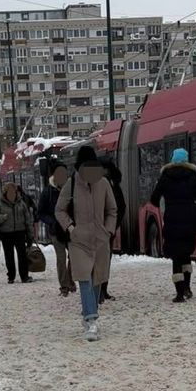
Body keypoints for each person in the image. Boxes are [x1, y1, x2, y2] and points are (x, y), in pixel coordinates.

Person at [56, 146, 118, 341]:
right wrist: (71, 228)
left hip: (100, 239)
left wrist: (108, 230)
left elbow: (112, 209)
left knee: (98, 279)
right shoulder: (71, 184)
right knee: (85, 279)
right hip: (79, 241)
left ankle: (88, 314)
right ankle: (92, 321)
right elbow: (60, 210)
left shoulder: (104, 183)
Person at [150, 148, 196, 303]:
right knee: (186, 253)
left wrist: (167, 204)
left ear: (172, 160)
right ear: (186, 160)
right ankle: (187, 287)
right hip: (189, 220)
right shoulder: (192, 175)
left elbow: (154, 198)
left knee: (176, 257)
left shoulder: (165, 176)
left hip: (172, 220)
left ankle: (179, 293)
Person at [38, 162, 74, 296]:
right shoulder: (48, 191)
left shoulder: (72, 188)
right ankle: (64, 286)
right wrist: (52, 221)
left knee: (74, 257)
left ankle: (70, 279)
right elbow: (40, 212)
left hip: (71, 228)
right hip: (56, 231)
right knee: (61, 258)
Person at [0, 183, 34, 283]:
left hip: (20, 232)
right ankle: (11, 276)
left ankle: (24, 276)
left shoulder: (21, 203)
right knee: (9, 256)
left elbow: (27, 219)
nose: (12, 193)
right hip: (6, 234)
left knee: (22, 256)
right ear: (5, 192)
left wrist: (30, 234)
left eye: (14, 191)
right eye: (9, 191)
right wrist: (1, 218)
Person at [98, 157, 126, 303]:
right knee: (102, 261)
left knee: (102, 261)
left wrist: (112, 226)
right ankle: (100, 289)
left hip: (105, 230)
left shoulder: (111, 185)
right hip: (101, 230)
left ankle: (102, 289)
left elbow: (120, 207)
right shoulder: (111, 184)